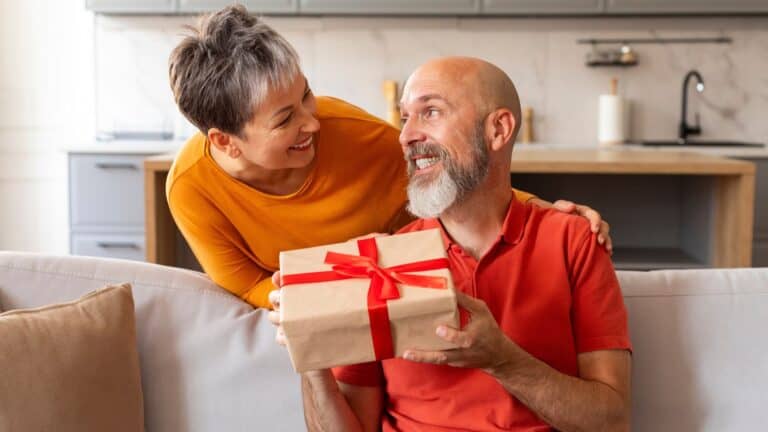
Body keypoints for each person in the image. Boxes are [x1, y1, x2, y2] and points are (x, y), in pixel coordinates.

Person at [166, 5, 612, 309]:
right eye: (285, 120)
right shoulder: (191, 188)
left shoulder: (360, 137)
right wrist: (291, 297)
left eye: (307, 96)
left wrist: (544, 212)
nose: (312, 123)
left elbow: (461, 184)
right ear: (226, 141)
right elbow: (246, 283)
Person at [270, 57, 632, 431]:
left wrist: (503, 360)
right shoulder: (379, 264)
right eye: (405, 117)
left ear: (499, 130)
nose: (406, 135)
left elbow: (612, 422)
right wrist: (311, 360)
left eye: (430, 112)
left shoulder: (572, 242)